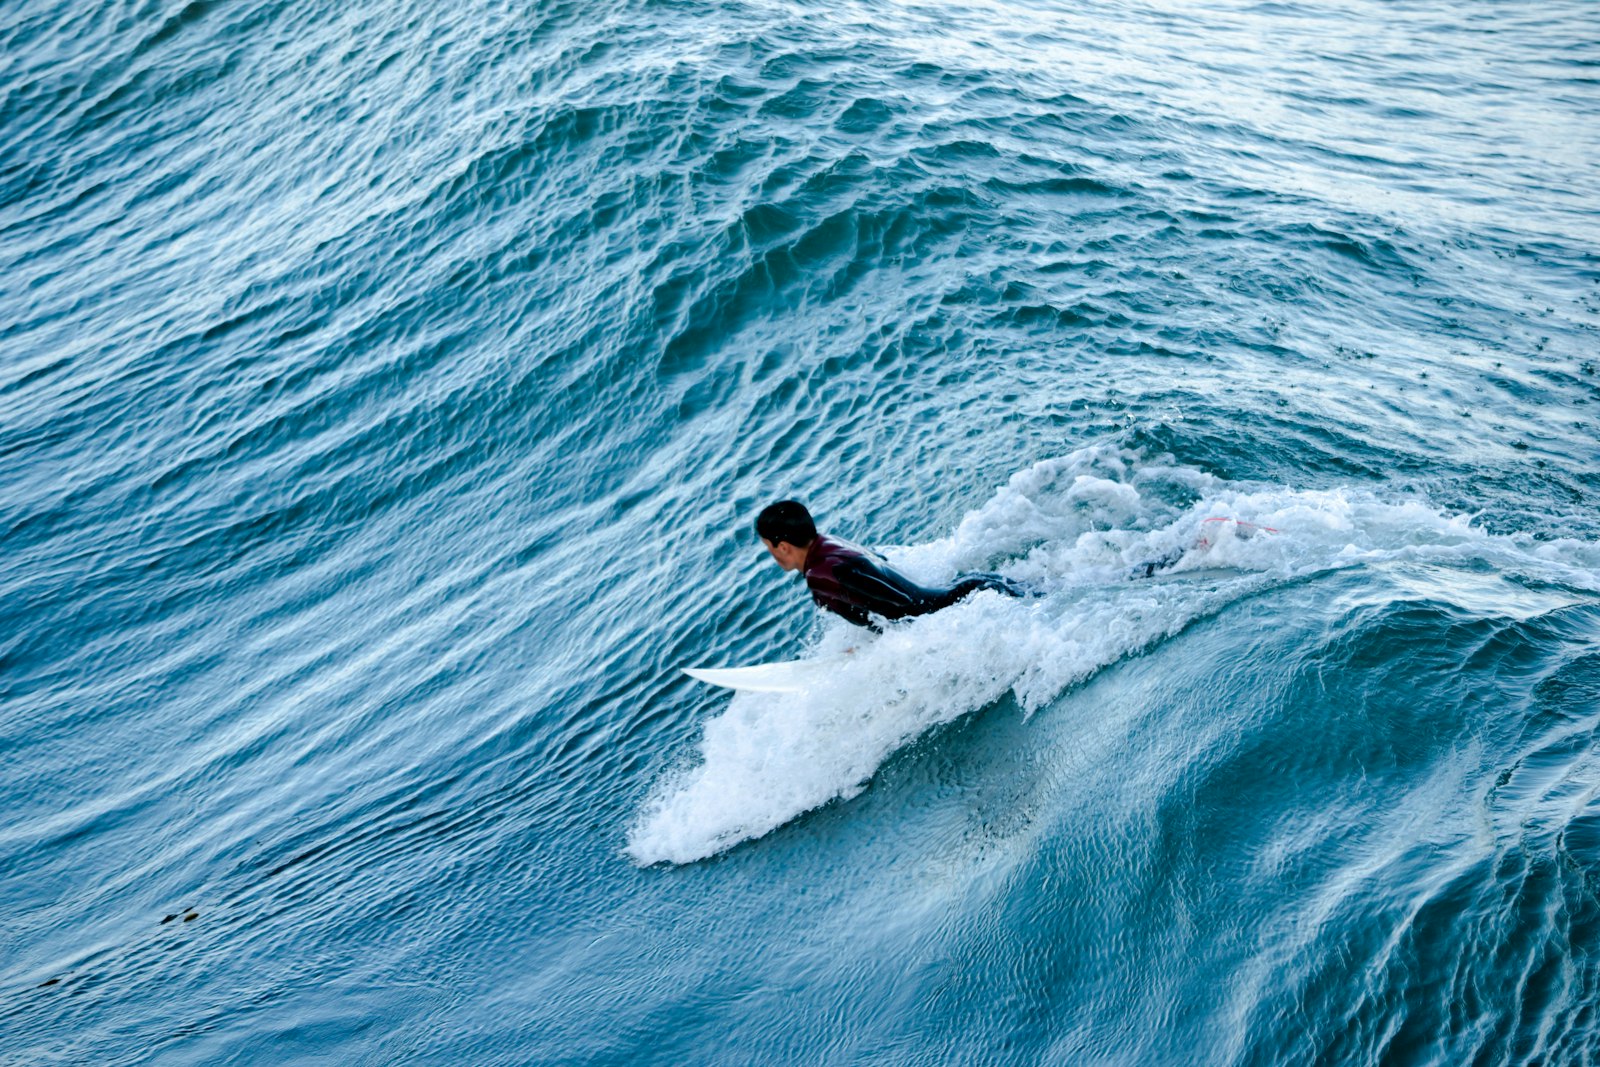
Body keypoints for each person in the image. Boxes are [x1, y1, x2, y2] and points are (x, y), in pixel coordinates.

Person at [755, 500, 1024, 631]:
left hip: (951, 604)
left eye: (768, 547)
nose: (772, 554)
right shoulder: (830, 543)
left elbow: (901, 604)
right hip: (965, 588)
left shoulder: (819, 575)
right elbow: (880, 577)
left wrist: (901, 638)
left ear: (783, 546)